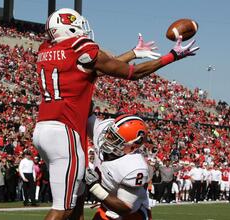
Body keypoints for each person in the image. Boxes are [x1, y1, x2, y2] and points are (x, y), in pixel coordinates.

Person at [33, 7, 199, 220]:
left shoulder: (45, 49)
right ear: (71, 28)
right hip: (65, 130)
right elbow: (132, 73)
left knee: (77, 204)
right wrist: (172, 56)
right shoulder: (80, 47)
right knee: (62, 208)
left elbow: (98, 69)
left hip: (43, 128)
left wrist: (133, 53)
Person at [85, 113, 151, 219]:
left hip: (131, 214)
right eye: (110, 133)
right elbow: (86, 113)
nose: (107, 137)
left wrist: (95, 187)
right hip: (107, 205)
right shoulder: (102, 131)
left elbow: (125, 208)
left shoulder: (134, 168)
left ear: (132, 147)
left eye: (115, 138)